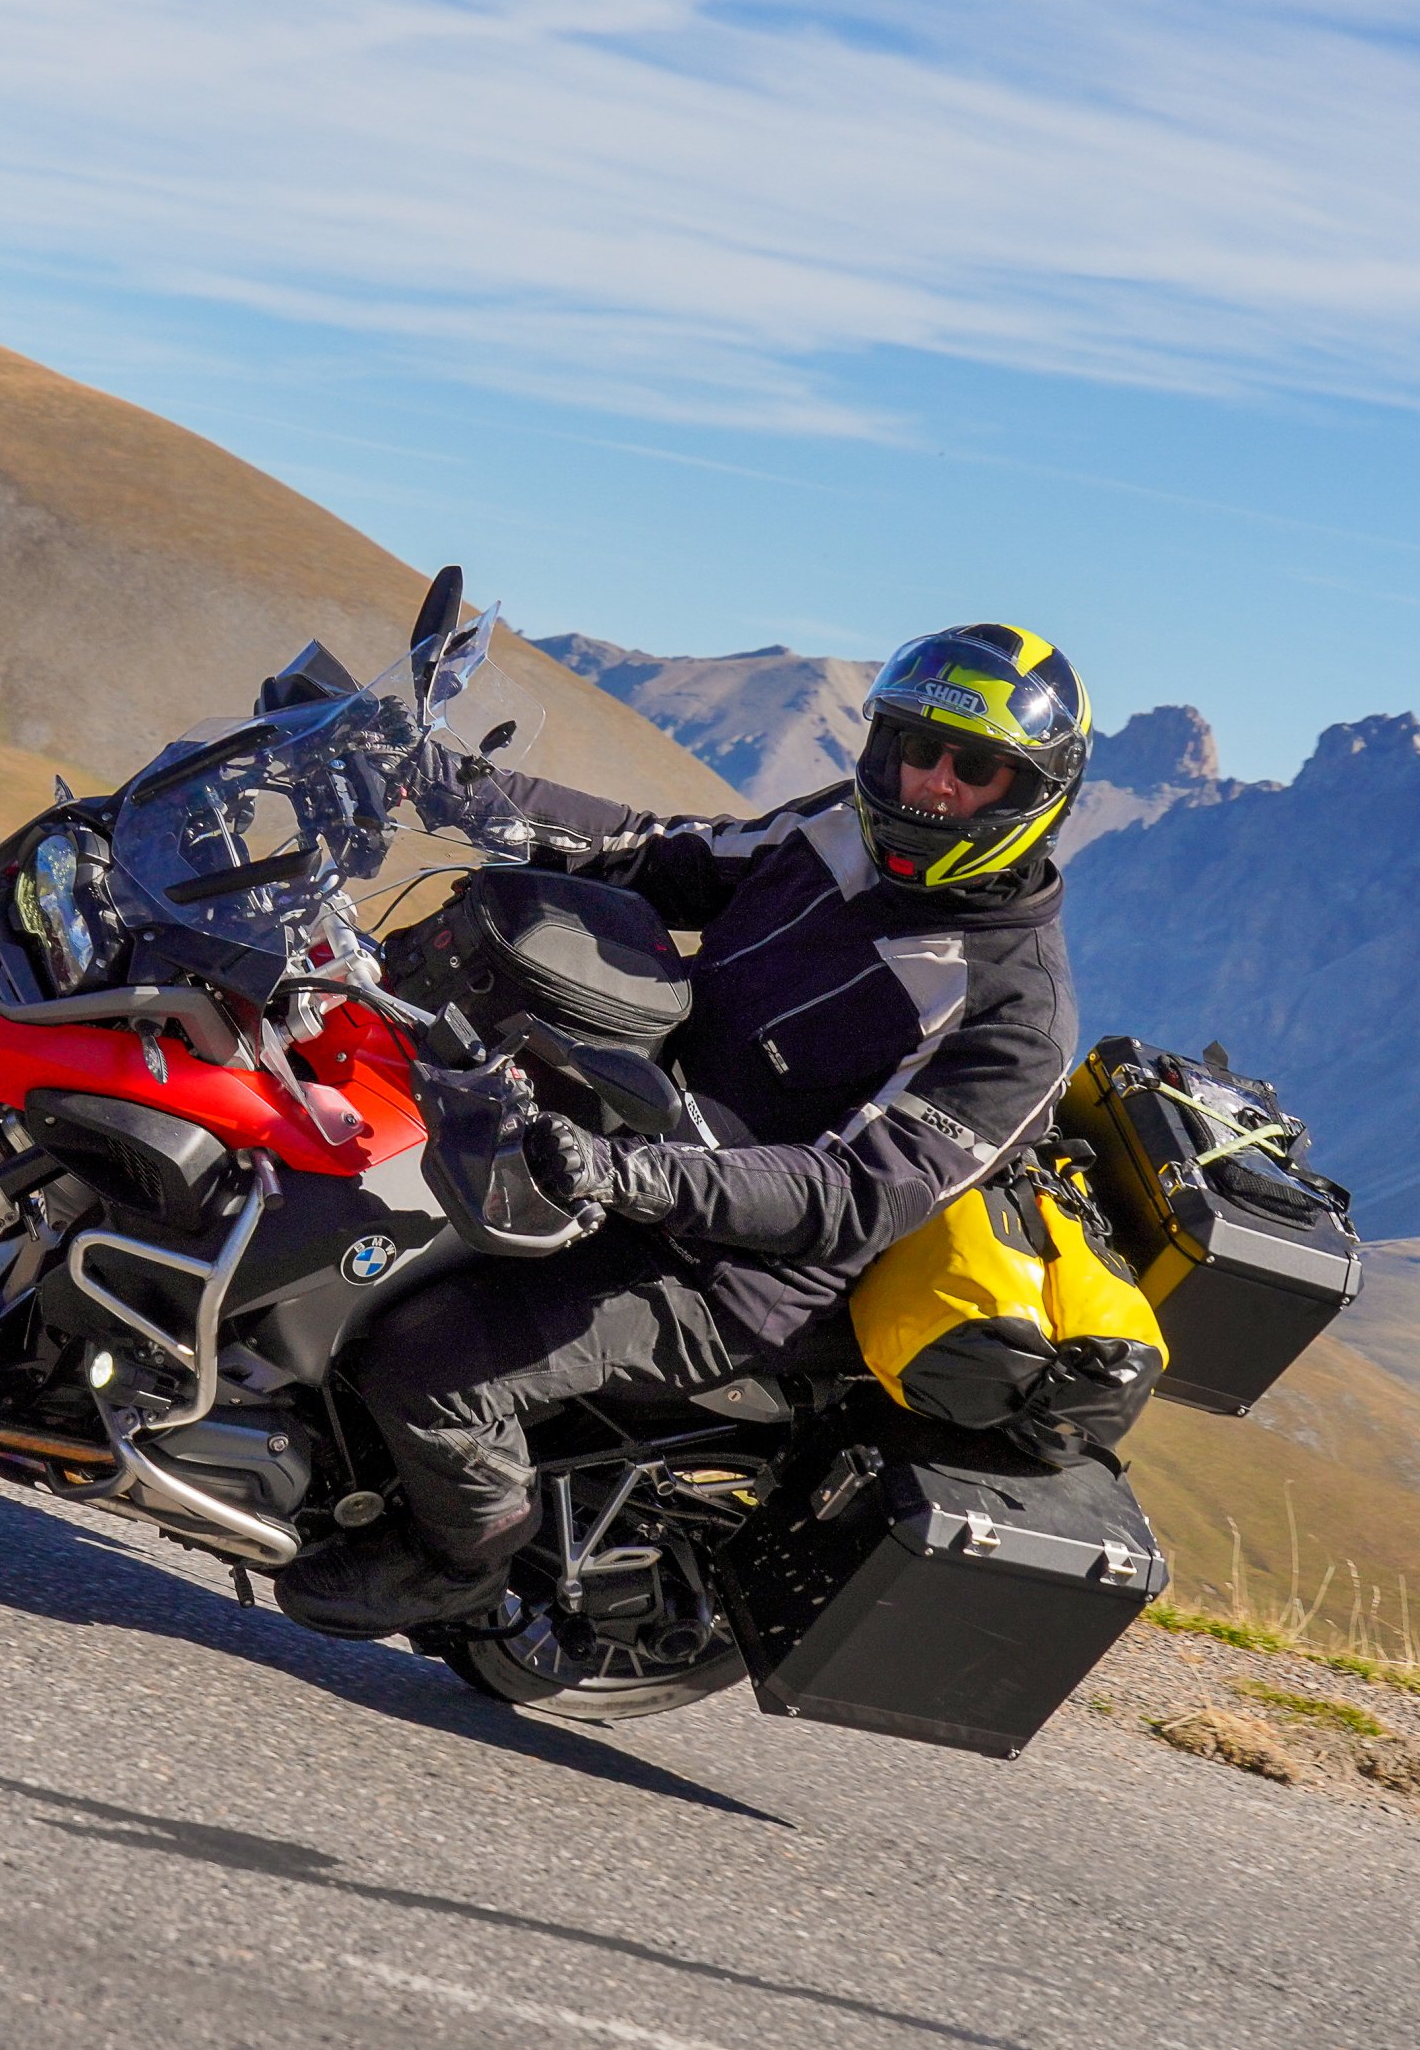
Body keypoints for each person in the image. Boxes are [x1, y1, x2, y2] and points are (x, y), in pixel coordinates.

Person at [275, 622, 1091, 1639]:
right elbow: (654, 854)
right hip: (619, 1129)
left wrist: (637, 1177)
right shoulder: (841, 827)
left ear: (1034, 794)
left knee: (427, 1356)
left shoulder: (1011, 1015)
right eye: (910, 748)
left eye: (974, 768)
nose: (930, 782)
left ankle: (456, 1563)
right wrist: (433, 782)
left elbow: (848, 1197)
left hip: (726, 1268)